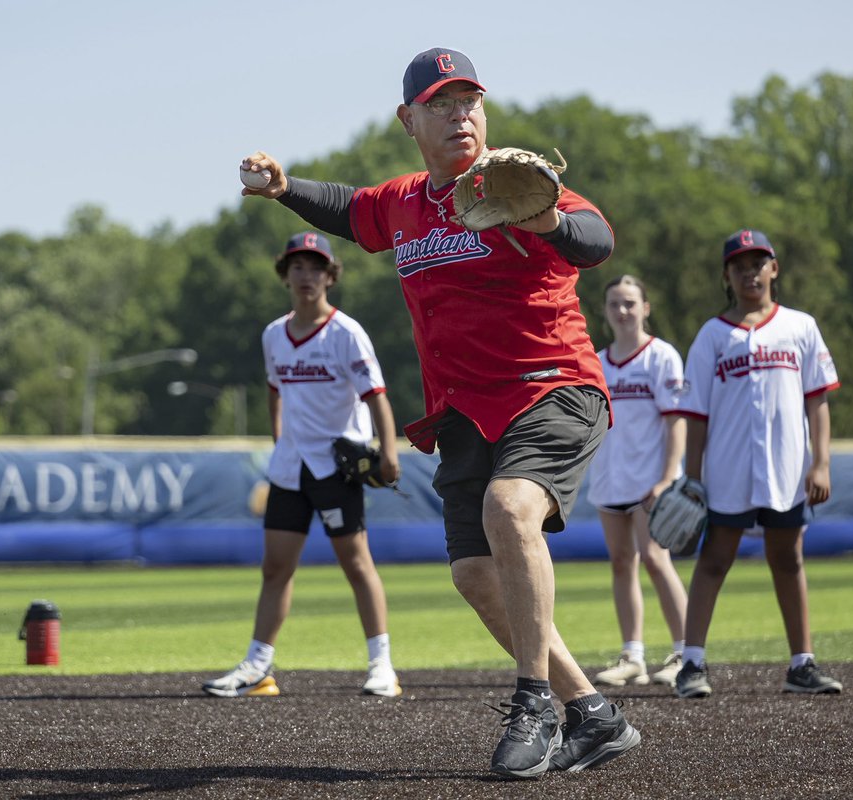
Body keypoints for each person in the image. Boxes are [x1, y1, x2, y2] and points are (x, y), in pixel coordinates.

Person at [238, 48, 640, 778]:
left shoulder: (517, 182)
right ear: (409, 119)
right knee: (473, 573)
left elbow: (595, 242)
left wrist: (546, 214)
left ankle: (533, 704)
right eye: (441, 104)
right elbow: (349, 208)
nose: (460, 114)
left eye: (469, 101)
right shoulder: (402, 201)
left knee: (509, 509)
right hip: (462, 410)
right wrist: (284, 187)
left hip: (550, 385)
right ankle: (591, 712)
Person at [202, 231, 404, 700]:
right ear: (285, 274)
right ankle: (258, 665)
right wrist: (278, 443)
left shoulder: (345, 333)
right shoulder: (275, 334)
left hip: (335, 464)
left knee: (356, 564)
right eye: (298, 266)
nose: (306, 275)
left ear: (330, 275)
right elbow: (275, 390)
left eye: (316, 267)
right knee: (275, 569)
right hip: (291, 469)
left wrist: (389, 453)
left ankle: (382, 666)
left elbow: (376, 396)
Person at [672, 229, 843, 699]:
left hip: (788, 468)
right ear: (727, 274)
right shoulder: (712, 334)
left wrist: (821, 463)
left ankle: (801, 664)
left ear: (774, 268)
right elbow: (696, 415)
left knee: (788, 559)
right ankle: (691, 663)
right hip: (727, 470)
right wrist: (692, 477)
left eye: (758, 261)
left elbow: (818, 402)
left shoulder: (800, 327)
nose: (750, 271)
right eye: (739, 264)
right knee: (715, 559)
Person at [585, 275, 689, 690]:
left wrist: (667, 477)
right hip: (610, 477)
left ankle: (686, 652)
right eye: (615, 304)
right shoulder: (596, 361)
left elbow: (676, 420)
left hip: (651, 480)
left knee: (655, 558)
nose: (622, 311)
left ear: (646, 307)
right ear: (605, 310)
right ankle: (633, 655)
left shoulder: (662, 357)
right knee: (621, 563)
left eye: (630, 303)